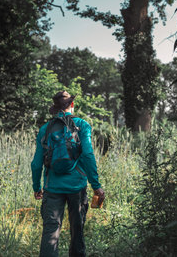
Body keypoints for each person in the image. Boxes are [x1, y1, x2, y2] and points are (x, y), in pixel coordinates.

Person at [31, 90, 105, 257]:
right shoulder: (82, 125)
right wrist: (96, 185)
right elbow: (87, 155)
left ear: (55, 108)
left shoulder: (45, 129)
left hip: (52, 188)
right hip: (77, 187)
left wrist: (37, 187)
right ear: (72, 105)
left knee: (51, 231)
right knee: (77, 231)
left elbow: (36, 164)